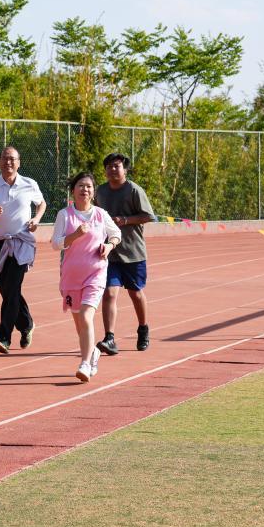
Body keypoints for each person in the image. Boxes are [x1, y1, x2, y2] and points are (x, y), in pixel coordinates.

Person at [0, 146, 46, 354]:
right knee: (6, 288)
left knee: (12, 286)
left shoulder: (29, 184)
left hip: (21, 243)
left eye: (12, 159)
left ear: (19, 162)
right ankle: (26, 324)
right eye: (5, 158)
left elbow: (41, 203)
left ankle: (3, 337)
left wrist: (36, 219)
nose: (8, 162)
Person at [51, 172, 121, 382]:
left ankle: (84, 363)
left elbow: (116, 234)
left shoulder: (100, 214)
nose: (85, 189)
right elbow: (56, 244)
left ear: (93, 191)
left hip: (95, 273)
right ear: (73, 190)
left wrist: (109, 246)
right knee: (80, 325)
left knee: (85, 316)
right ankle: (93, 354)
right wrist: (75, 235)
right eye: (81, 185)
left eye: (89, 186)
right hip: (71, 277)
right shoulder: (65, 215)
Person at [94, 153, 156, 354]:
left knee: (135, 293)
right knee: (109, 293)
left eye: (117, 166)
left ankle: (143, 328)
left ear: (125, 169)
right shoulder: (100, 192)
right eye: (109, 166)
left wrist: (126, 220)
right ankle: (109, 338)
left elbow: (148, 216)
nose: (113, 169)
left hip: (132, 252)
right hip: (109, 252)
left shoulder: (134, 190)